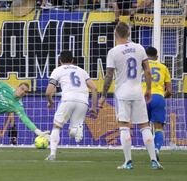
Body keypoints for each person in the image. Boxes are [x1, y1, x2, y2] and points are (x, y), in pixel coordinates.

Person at [98, 22, 163, 170]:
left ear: (116, 34)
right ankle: (154, 161)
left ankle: (128, 162)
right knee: (145, 126)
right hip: (137, 91)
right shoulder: (139, 48)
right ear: (128, 33)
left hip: (122, 93)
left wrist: (103, 96)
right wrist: (148, 90)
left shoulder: (113, 52)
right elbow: (147, 71)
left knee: (124, 127)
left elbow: (108, 76)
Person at [44, 50, 98, 161]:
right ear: (72, 60)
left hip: (68, 99)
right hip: (83, 101)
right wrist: (93, 107)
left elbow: (48, 92)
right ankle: (75, 129)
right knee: (73, 131)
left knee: (57, 126)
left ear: (60, 61)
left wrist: (50, 101)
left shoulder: (58, 70)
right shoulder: (82, 71)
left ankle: (52, 154)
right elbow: (94, 88)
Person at [142, 46, 172, 161]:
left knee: (144, 127)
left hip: (143, 97)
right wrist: (161, 97)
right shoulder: (163, 67)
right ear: (157, 57)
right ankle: (156, 149)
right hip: (158, 97)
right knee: (159, 127)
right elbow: (169, 91)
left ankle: (150, 150)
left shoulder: (141, 66)